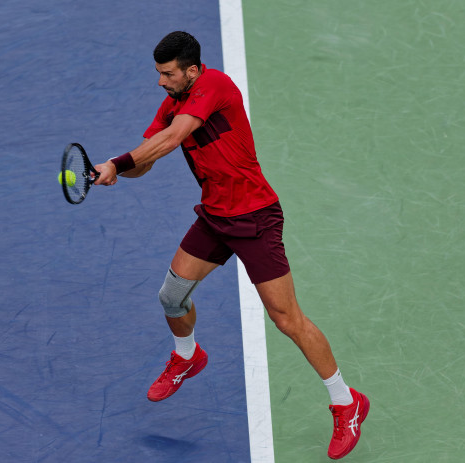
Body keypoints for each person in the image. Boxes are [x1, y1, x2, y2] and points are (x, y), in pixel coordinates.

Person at [93, 31, 369, 460]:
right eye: (159, 74)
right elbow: (147, 157)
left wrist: (117, 161)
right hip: (215, 217)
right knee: (171, 297)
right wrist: (112, 172)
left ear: (192, 70)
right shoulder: (170, 105)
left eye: (168, 74)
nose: (161, 82)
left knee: (287, 319)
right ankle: (188, 355)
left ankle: (346, 402)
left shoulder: (215, 87)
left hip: (255, 217)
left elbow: (169, 140)